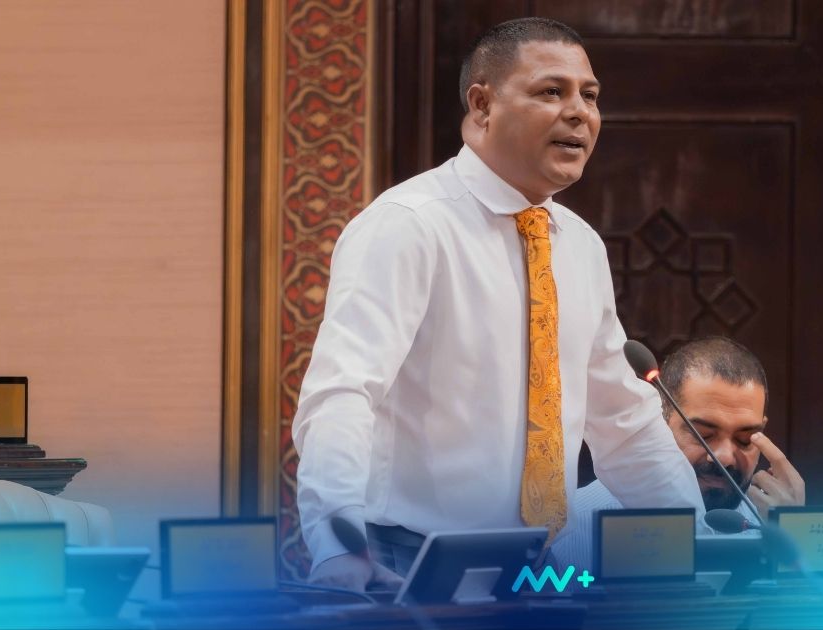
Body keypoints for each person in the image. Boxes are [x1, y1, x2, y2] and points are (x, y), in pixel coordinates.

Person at [292, 17, 704, 591]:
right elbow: (341, 396)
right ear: (482, 105)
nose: (579, 113)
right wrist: (338, 547)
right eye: (551, 91)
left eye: (589, 96)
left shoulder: (579, 244)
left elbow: (624, 422)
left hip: (540, 568)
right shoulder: (408, 225)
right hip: (409, 561)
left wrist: (698, 544)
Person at [551, 336, 806, 569]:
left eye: (745, 439)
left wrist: (794, 534)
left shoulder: (769, 522)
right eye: (703, 435)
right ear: (659, 421)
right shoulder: (569, 528)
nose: (725, 457)